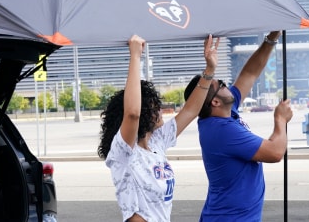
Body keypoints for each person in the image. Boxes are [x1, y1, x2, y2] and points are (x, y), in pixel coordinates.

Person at [98, 34, 219, 222]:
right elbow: (132, 113)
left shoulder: (157, 142)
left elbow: (190, 110)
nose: (161, 110)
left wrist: (209, 69)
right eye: (155, 106)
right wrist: (135, 56)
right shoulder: (124, 151)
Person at [184, 31, 293, 221]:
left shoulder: (227, 111)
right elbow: (275, 152)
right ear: (215, 102)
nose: (228, 86)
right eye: (222, 85)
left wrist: (271, 39)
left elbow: (250, 73)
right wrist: (280, 120)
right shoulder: (221, 130)